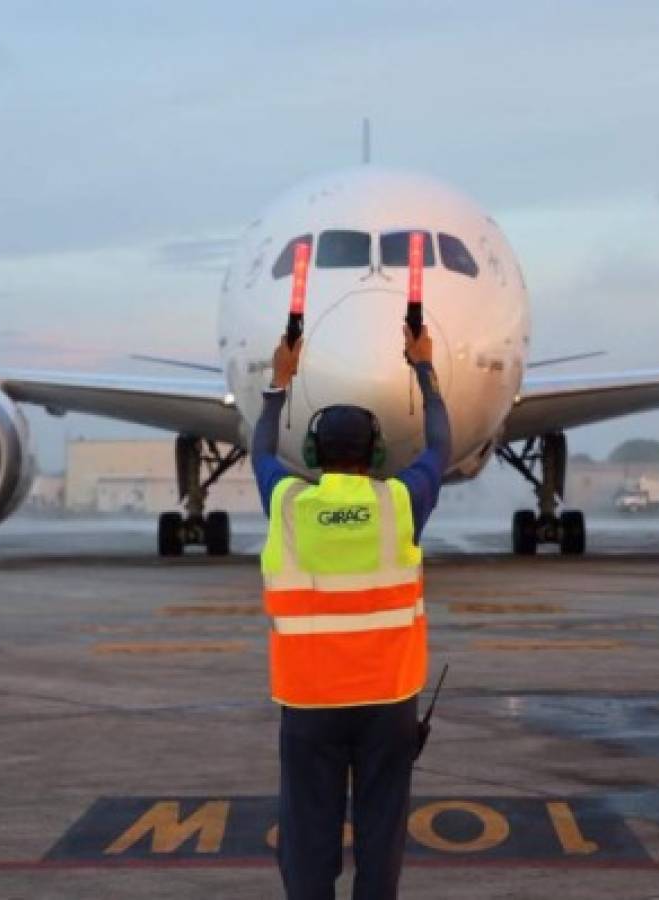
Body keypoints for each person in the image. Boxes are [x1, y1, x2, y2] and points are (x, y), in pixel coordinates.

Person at [251, 323, 452, 900]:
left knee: (308, 838)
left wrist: (278, 384)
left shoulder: (288, 503)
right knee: (381, 838)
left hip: (310, 702)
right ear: (379, 454)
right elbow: (440, 445)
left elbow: (261, 451)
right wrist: (424, 373)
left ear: (314, 454)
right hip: (387, 705)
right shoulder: (400, 503)